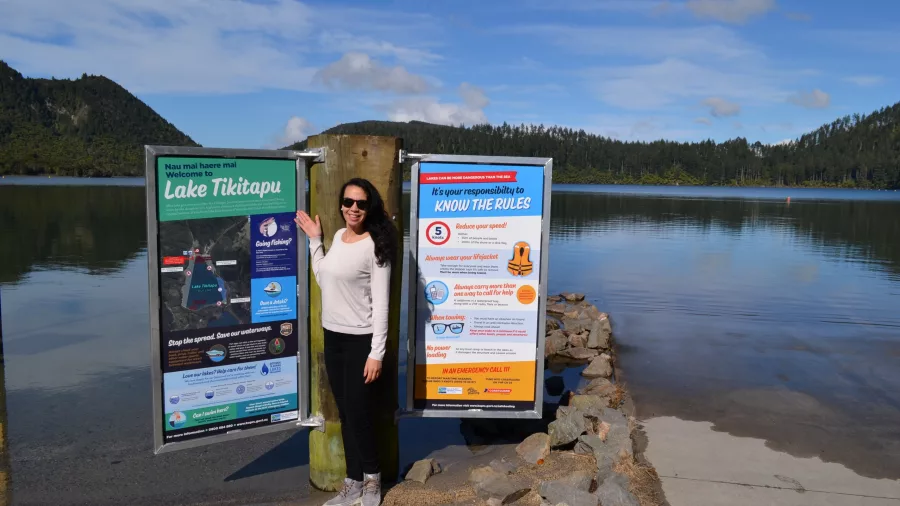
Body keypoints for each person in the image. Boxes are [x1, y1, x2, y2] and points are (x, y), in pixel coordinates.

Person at [294, 177, 396, 506]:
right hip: (333, 337)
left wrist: (376, 353)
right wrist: (315, 241)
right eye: (349, 202)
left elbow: (382, 304)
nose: (354, 208)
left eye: (361, 203)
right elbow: (324, 277)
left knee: (360, 412)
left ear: (370, 207)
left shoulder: (376, 246)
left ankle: (372, 480)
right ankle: (352, 481)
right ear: (341, 205)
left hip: (360, 341)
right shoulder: (338, 236)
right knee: (346, 415)